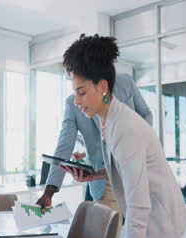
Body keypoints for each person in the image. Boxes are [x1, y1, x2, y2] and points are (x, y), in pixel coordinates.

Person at [60, 34, 186, 238]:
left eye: (81, 92)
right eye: (75, 93)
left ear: (103, 87)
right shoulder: (108, 119)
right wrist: (95, 175)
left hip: (161, 225)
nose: (77, 102)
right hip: (148, 218)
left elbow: (139, 204)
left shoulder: (124, 128)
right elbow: (125, 170)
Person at [36, 72, 153, 215]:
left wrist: (136, 147)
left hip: (136, 173)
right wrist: (49, 192)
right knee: (110, 234)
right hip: (104, 181)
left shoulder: (125, 81)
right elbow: (64, 146)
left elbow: (146, 114)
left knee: (138, 229)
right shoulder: (72, 105)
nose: (77, 100)